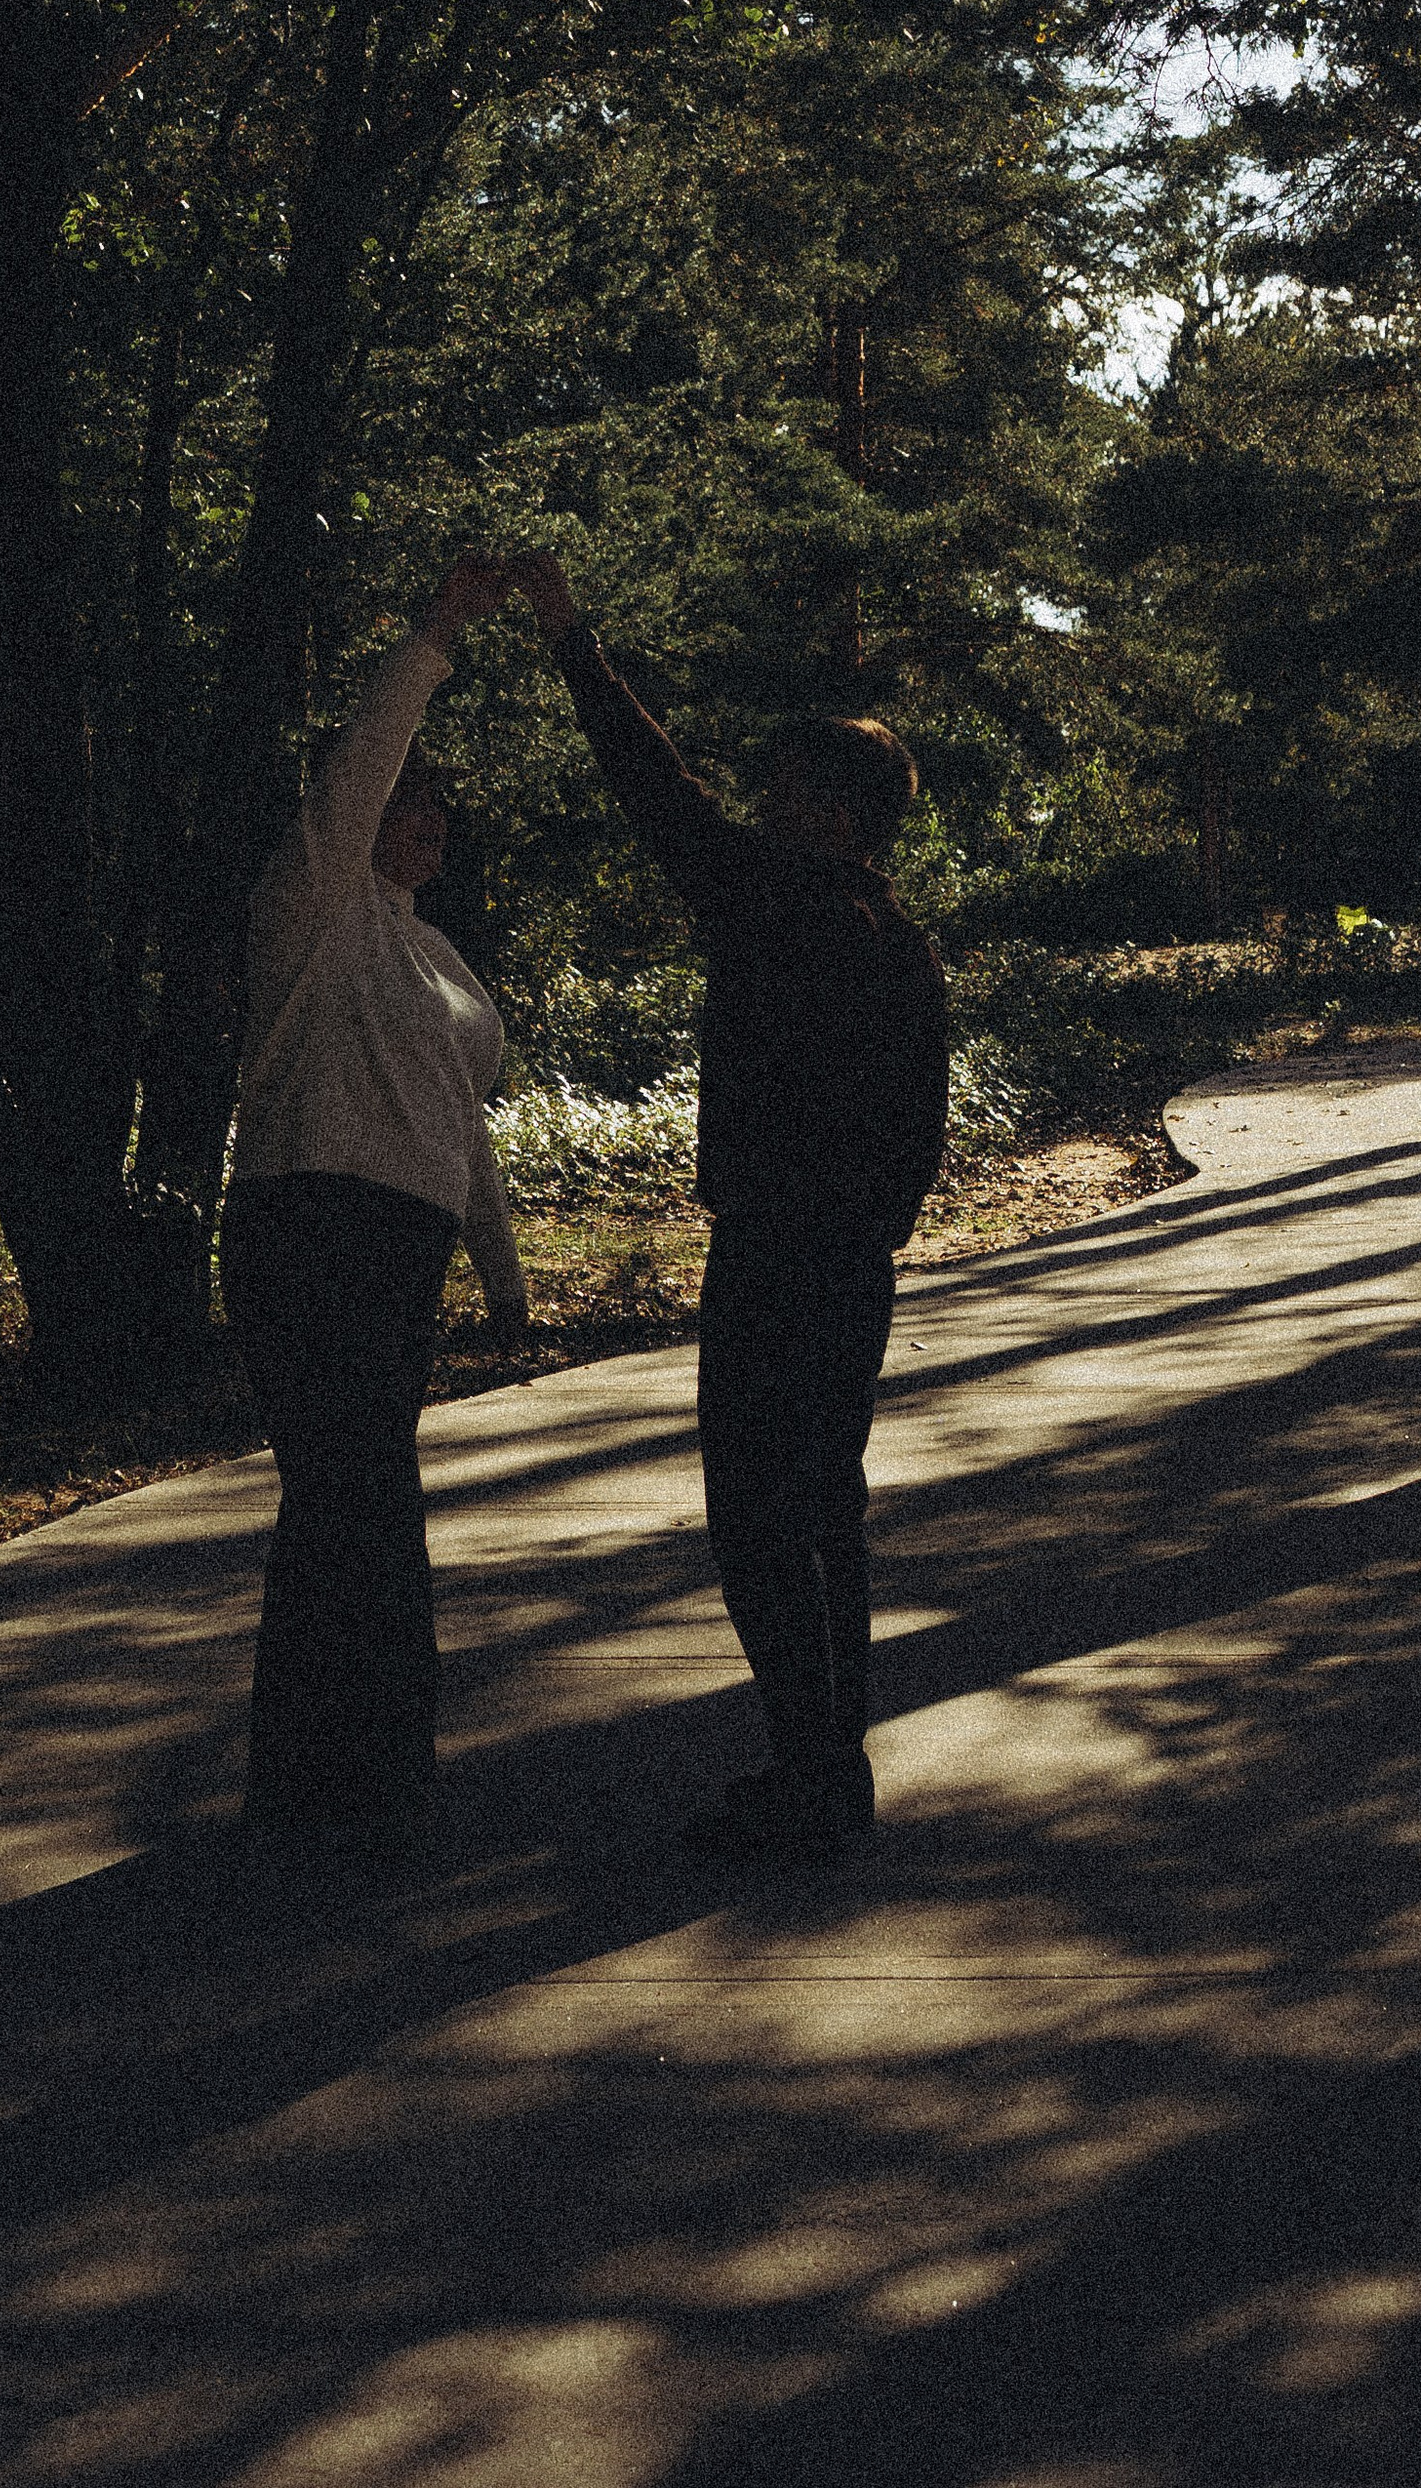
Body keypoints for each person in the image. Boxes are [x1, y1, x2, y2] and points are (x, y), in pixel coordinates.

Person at [506, 551, 949, 1863]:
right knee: (826, 1508)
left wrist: (573, 640)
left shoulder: (771, 903)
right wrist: (870, 1231)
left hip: (776, 1258)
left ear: (833, 809)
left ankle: (810, 1776)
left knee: (758, 1517)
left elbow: (653, 786)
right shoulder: (899, 940)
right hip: (852, 1266)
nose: (761, 800)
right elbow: (916, 1139)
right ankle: (831, 1762)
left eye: (787, 786)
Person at [222, 555, 529, 1854]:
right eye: (411, 803)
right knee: (360, 1503)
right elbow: (356, 772)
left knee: (352, 1500)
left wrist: (504, 1274)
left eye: (442, 816)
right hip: (308, 1228)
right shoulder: (312, 910)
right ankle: (358, 1780)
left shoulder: (438, 957)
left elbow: (462, 1120)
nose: (427, 825)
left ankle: (333, 1776)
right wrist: (436, 630)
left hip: (401, 1250)